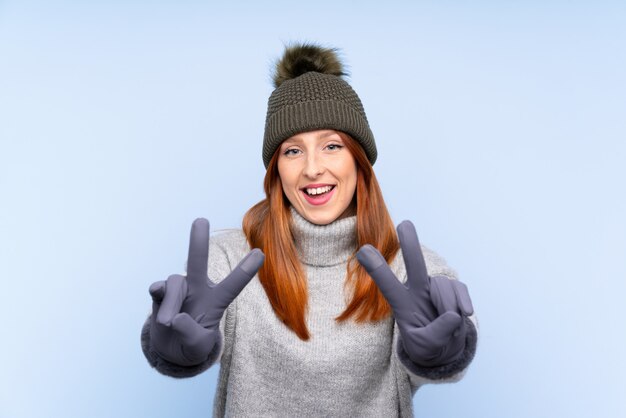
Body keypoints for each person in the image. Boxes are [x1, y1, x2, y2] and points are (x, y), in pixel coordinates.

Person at [140, 42, 478, 417]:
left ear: (359, 160)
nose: (313, 168)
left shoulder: (409, 271)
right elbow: (186, 320)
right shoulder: (230, 261)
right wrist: (170, 347)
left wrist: (444, 352)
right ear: (276, 170)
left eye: (332, 146)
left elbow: (453, 336)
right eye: (293, 151)